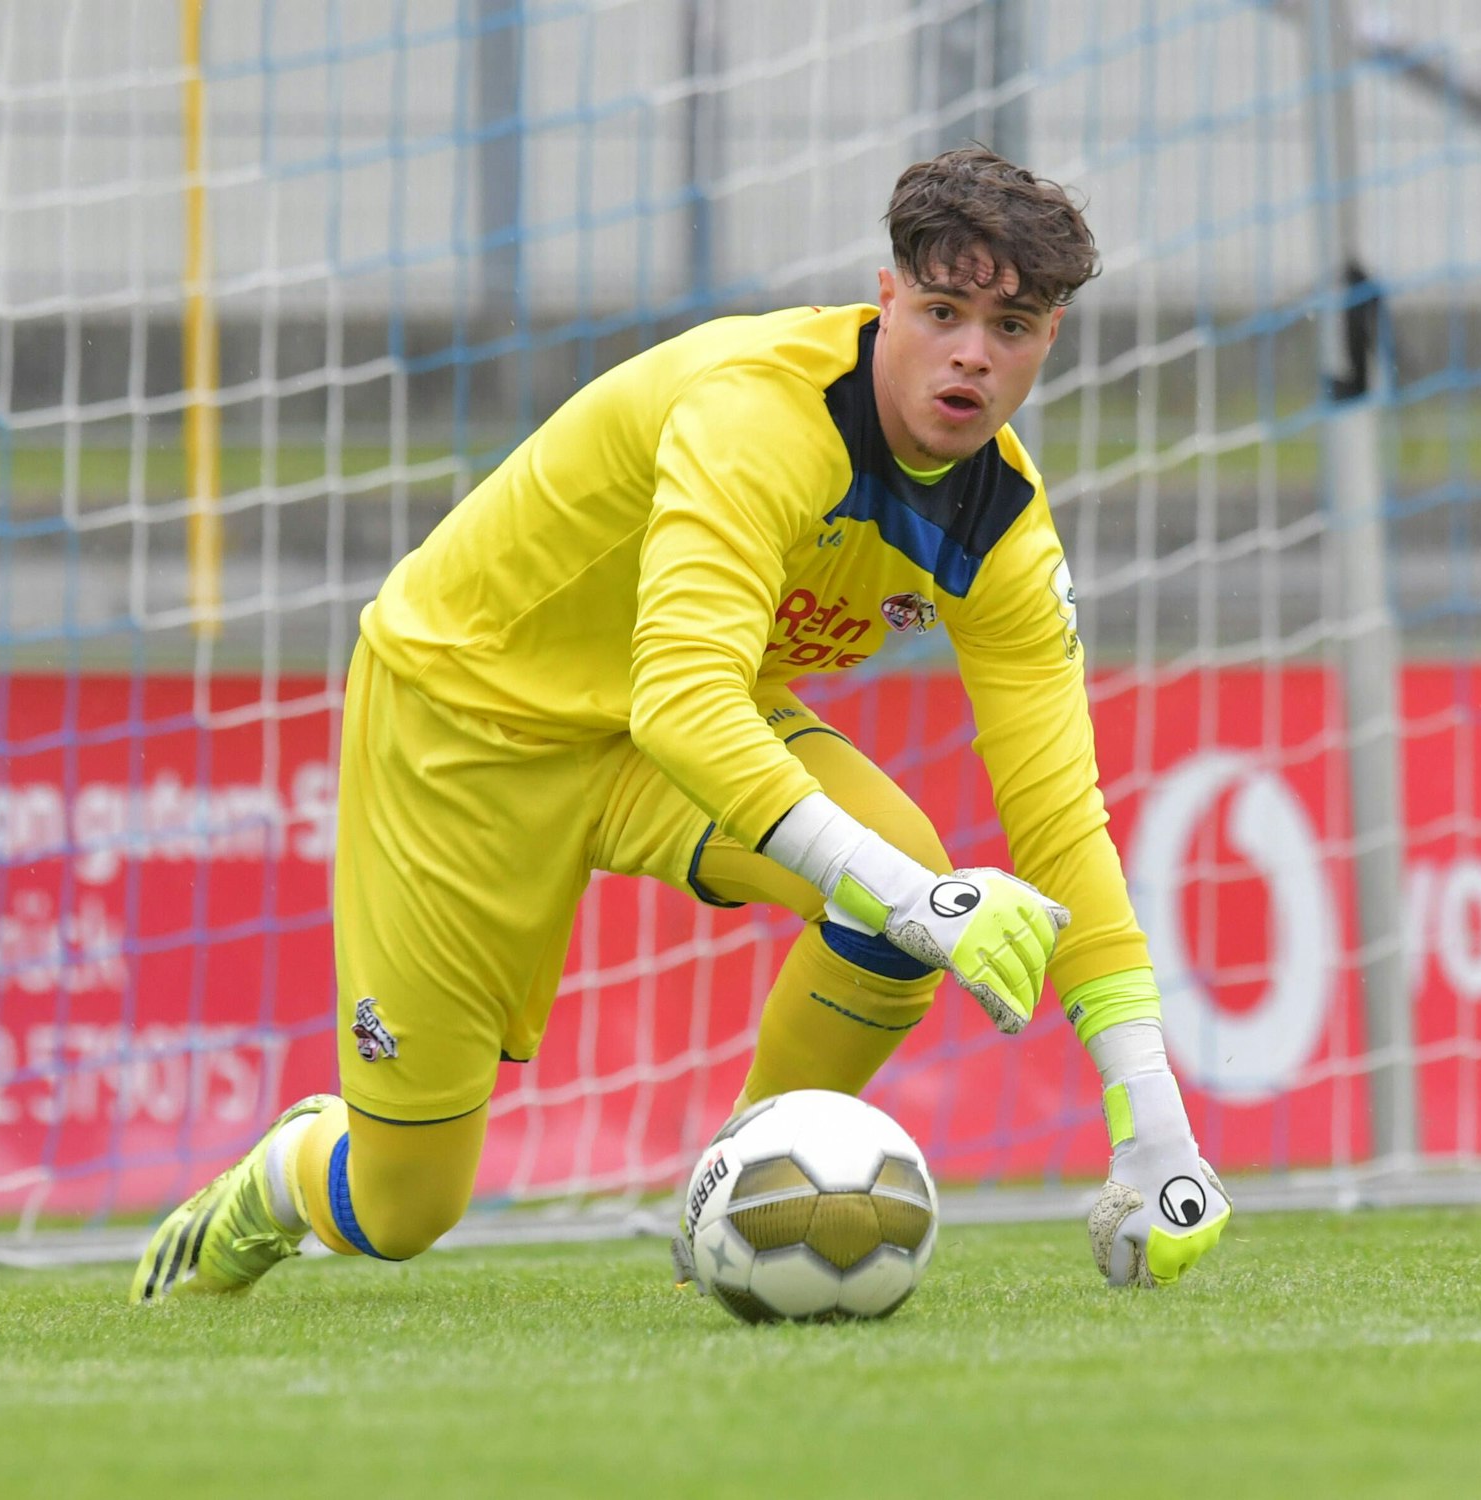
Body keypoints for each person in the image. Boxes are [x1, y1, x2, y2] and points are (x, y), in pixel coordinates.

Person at [129, 147, 1229, 1304]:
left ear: (1047, 340)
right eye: (943, 311)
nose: (970, 352)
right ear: (884, 299)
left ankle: (734, 1199)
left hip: (661, 730)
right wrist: (916, 900)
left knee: (899, 885)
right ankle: (276, 1180)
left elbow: (1059, 820)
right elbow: (685, 701)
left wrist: (1151, 1125)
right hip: (462, 727)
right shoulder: (760, 414)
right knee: (404, 1208)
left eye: (1009, 326)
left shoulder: (1001, 526)